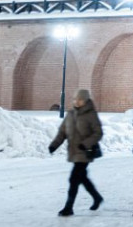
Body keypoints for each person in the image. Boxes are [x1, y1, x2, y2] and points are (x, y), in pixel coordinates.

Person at [48, 88, 103, 217]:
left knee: (74, 179)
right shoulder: (70, 114)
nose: (76, 101)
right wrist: (54, 145)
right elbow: (62, 132)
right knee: (82, 178)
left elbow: (98, 133)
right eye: (75, 99)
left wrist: (86, 144)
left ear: (85, 100)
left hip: (85, 152)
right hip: (73, 151)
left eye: (80, 99)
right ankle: (97, 197)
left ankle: (69, 207)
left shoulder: (91, 114)